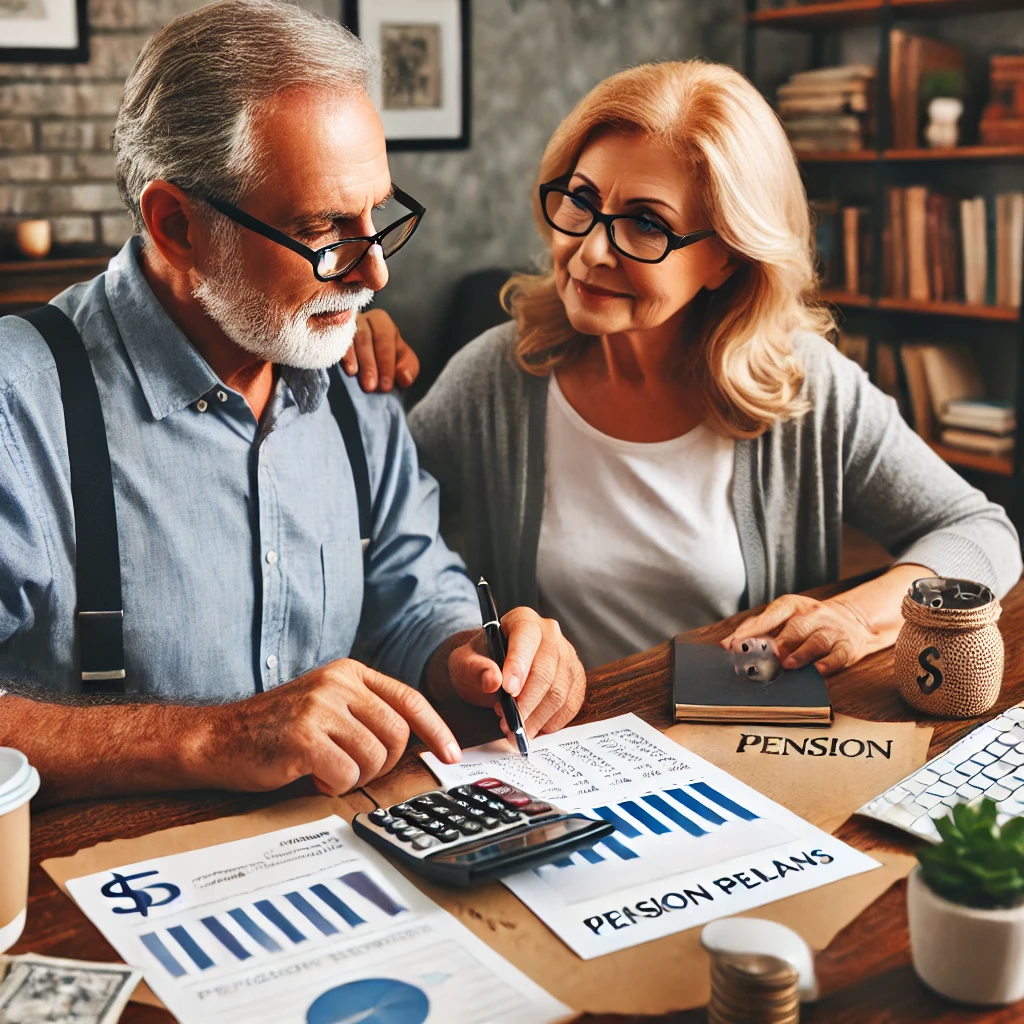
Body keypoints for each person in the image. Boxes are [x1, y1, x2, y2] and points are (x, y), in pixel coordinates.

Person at [0, 0, 584, 804]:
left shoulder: (351, 371)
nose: (375, 274)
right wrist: (209, 737)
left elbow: (407, 587)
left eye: (378, 214)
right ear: (177, 225)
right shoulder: (17, 407)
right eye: (324, 230)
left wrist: (471, 660)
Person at [405, 60, 1022, 673]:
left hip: (733, 750)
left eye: (647, 224)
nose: (590, 252)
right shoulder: (496, 378)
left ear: (727, 258)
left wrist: (859, 617)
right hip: (560, 754)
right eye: (581, 200)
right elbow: (375, 540)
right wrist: (350, 362)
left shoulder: (804, 384)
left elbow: (980, 531)